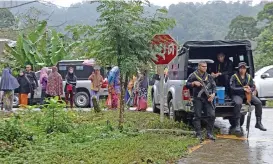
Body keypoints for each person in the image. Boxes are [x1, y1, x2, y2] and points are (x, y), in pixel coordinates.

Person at [230, 62, 267, 133]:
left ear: (246, 69)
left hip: (247, 94)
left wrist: (251, 89)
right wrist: (242, 89)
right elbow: (232, 88)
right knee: (238, 104)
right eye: (241, 68)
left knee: (258, 102)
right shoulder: (234, 77)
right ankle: (237, 125)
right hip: (237, 94)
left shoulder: (249, 76)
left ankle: (258, 123)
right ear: (238, 69)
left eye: (244, 68)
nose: (242, 70)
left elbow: (253, 86)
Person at [186, 61, 216, 141]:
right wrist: (193, 83)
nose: (205, 68)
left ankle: (209, 133)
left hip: (207, 98)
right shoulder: (193, 75)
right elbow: (187, 84)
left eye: (206, 66)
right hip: (198, 98)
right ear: (199, 67)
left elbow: (214, 86)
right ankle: (198, 134)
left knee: (212, 115)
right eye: (203, 66)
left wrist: (213, 94)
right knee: (197, 116)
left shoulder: (208, 76)